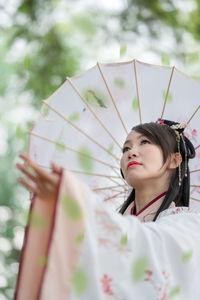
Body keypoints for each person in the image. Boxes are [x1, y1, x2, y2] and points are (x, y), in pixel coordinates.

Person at [15, 119, 200, 300]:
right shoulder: (114, 220)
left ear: (175, 160)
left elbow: (147, 247)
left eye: (144, 142)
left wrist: (78, 202)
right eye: (126, 148)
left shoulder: (189, 225)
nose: (131, 152)